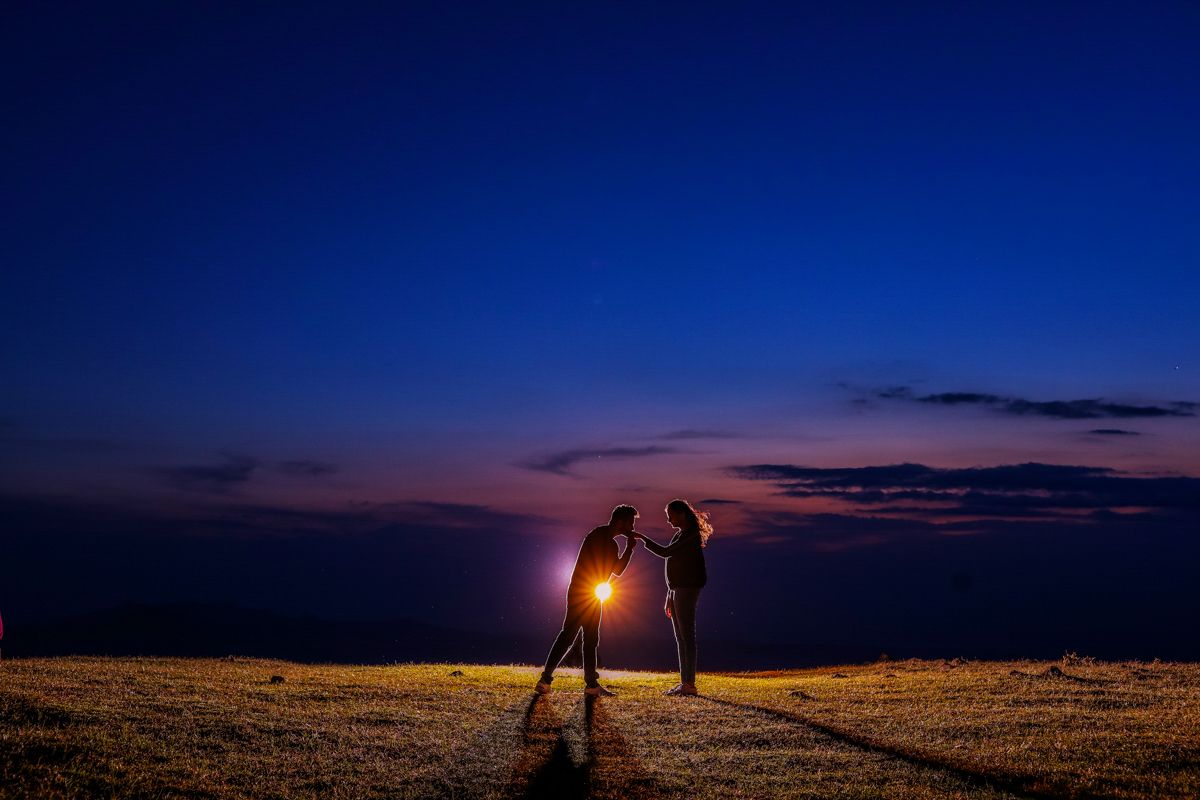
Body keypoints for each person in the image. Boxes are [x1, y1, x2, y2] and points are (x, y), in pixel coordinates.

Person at [535, 505, 640, 697]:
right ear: (620, 522)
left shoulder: (595, 534)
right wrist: (630, 549)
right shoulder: (609, 543)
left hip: (577, 590)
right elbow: (617, 570)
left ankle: (545, 680)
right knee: (589, 640)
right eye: (630, 523)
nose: (632, 527)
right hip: (590, 594)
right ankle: (591, 686)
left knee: (568, 636)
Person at [633, 499, 711, 696]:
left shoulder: (690, 535)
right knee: (681, 638)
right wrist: (670, 593)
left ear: (682, 513)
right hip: (678, 589)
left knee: (687, 637)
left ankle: (689, 684)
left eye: (671, 515)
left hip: (687, 588)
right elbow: (675, 563)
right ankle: (685, 683)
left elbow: (666, 553)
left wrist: (643, 539)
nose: (668, 520)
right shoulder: (681, 534)